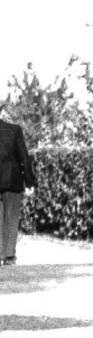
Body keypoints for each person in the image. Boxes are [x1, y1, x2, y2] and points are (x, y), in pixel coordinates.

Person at [0, 109, 36, 266]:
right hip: (12, 180)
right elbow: (24, 157)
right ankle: (9, 256)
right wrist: (30, 181)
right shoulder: (15, 130)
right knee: (12, 218)